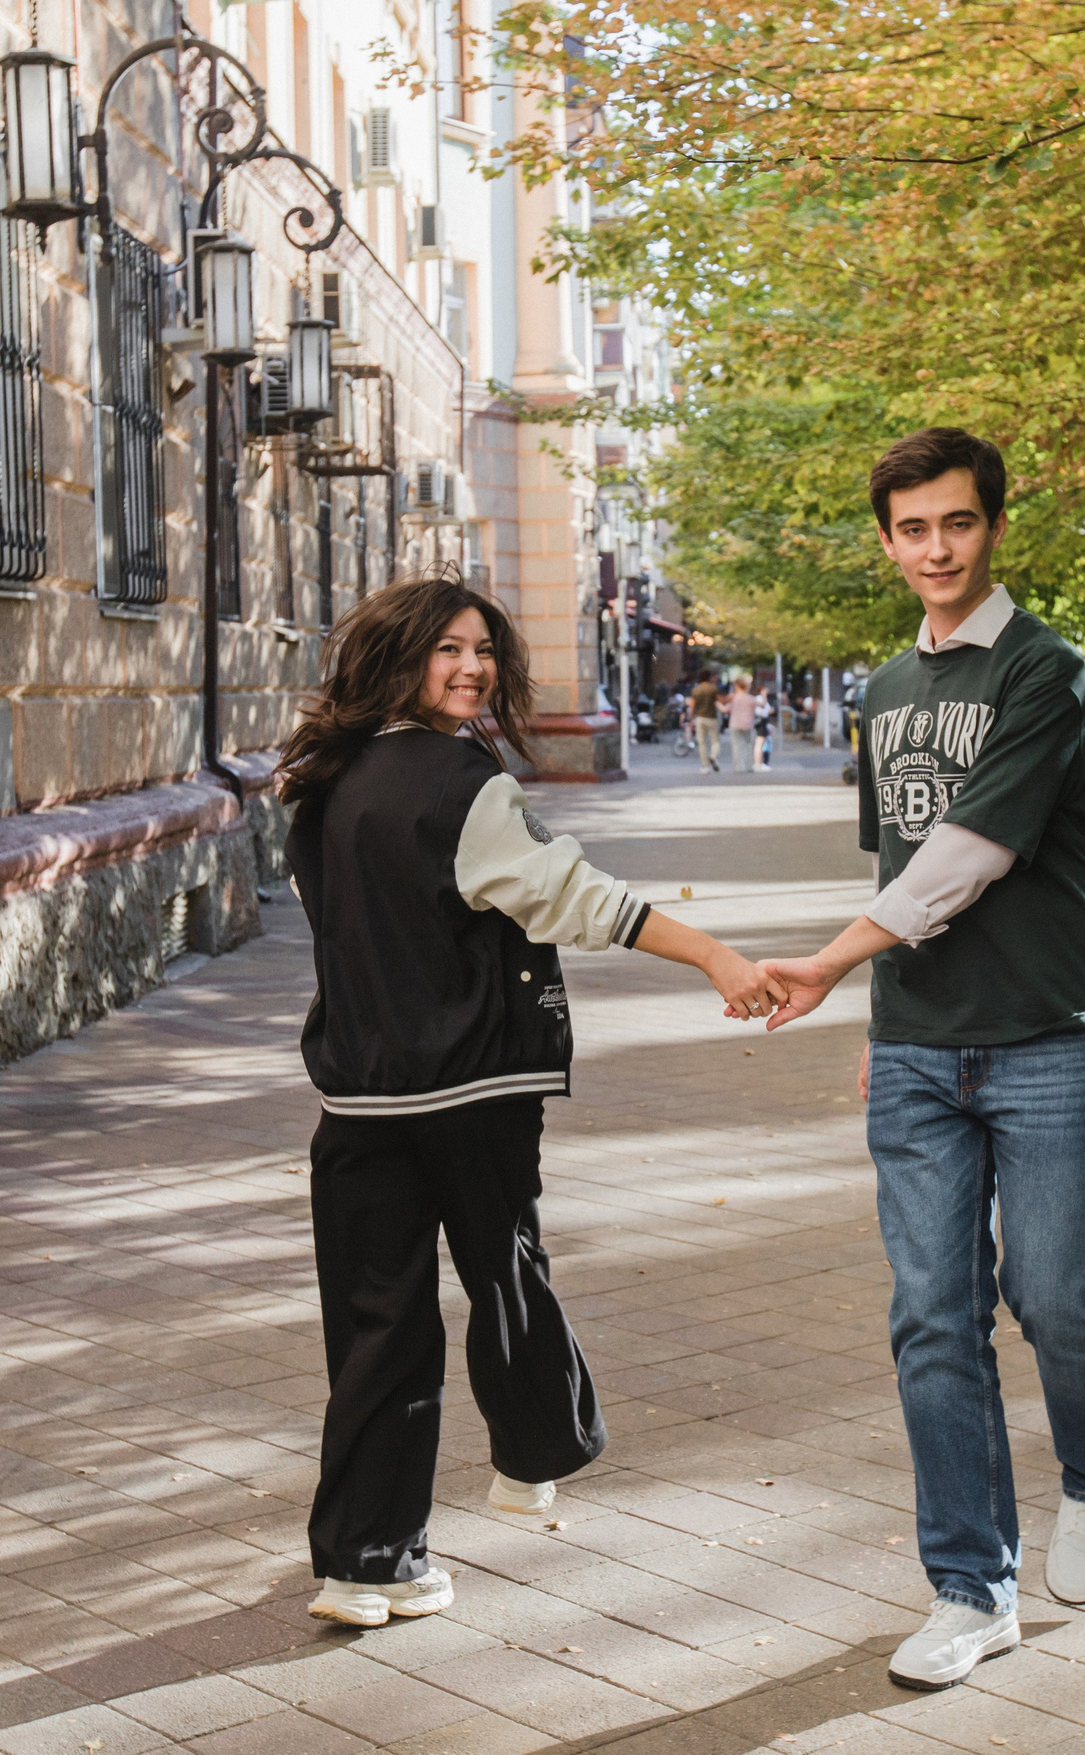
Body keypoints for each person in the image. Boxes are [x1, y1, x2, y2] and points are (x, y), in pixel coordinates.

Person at [278, 572, 786, 1630]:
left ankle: (365, 1562)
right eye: (446, 651)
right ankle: (535, 1452)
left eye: (482, 651)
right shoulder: (465, 788)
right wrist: (713, 955)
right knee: (507, 1277)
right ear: (398, 659)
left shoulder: (320, 783)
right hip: (472, 1091)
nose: (471, 669)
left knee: (378, 1330)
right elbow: (576, 898)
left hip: (361, 1100)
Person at [750, 428, 1085, 1692]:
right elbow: (896, 864)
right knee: (932, 1317)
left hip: (1054, 1041)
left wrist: (827, 963)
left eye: (956, 524)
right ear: (886, 542)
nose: (934, 549)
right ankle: (969, 1587)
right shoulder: (882, 690)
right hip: (921, 1051)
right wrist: (882, 1024)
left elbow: (969, 853)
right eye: (911, 529)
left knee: (1059, 1303)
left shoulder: (1045, 671)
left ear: (992, 528)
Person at [723, 676, 757, 774]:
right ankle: (749, 766)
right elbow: (760, 705)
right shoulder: (751, 698)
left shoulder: (733, 698)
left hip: (735, 724)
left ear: (736, 686)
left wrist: (717, 704)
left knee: (736, 746)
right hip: (748, 724)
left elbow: (725, 709)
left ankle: (737, 767)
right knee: (749, 745)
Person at [689, 674, 722, 772]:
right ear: (708, 678)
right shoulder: (713, 689)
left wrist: (691, 719)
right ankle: (713, 756)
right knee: (715, 741)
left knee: (701, 742)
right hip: (712, 717)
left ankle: (705, 766)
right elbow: (720, 700)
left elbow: (693, 706)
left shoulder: (695, 690)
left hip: (700, 718)